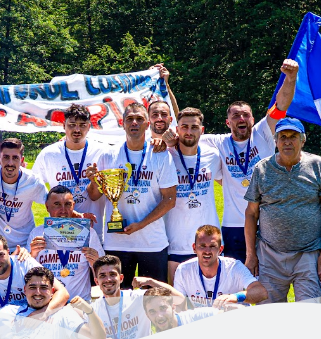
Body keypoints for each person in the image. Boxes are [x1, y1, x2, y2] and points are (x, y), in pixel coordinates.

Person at [187, 59, 299, 262]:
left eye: (246, 115)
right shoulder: (218, 142)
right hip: (233, 225)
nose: (241, 119)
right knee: (236, 274)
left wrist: (291, 78)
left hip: (266, 221)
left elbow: (281, 105)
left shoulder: (263, 133)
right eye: (236, 115)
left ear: (253, 119)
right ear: (227, 122)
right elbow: (185, 136)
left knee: (268, 274)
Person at [244, 117, 321, 303]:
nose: (287, 141)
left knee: (309, 312)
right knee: (269, 313)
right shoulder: (262, 168)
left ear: (303, 140)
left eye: (293, 136)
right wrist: (251, 255)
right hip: (270, 255)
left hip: (308, 254)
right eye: (283, 137)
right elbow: (251, 214)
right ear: (276, 141)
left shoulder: (317, 165)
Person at [88, 102, 178, 287]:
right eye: (129, 119)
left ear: (147, 124)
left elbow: (170, 199)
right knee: (117, 297)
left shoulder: (160, 154)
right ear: (122, 123)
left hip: (152, 242)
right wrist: (93, 180)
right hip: (116, 242)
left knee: (154, 297)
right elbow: (94, 195)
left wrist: (140, 225)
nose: (134, 122)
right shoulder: (109, 155)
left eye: (139, 119)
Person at [163, 107, 222, 282]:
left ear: (201, 130)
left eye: (194, 127)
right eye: (184, 127)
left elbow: (230, 184)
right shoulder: (165, 156)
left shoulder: (213, 156)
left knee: (211, 293)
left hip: (208, 242)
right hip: (175, 242)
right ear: (177, 129)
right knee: (175, 295)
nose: (189, 132)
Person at [31, 104, 113, 225]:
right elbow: (34, 187)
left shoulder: (102, 152)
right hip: (60, 229)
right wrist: (56, 204)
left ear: (89, 126)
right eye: (72, 125)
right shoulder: (48, 154)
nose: (77, 130)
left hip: (93, 227)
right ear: (64, 125)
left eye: (82, 125)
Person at [0, 138, 49, 251]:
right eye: (6, 157)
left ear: (22, 160)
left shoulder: (33, 182)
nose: (10, 163)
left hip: (23, 243)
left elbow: (52, 204)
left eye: (15, 158)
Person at [28, 185, 104, 300]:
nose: (63, 210)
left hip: (79, 302)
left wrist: (96, 263)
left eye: (68, 204)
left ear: (73, 206)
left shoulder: (88, 233)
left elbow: (102, 273)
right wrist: (32, 255)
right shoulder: (36, 233)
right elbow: (26, 272)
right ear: (47, 207)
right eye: (57, 204)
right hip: (48, 302)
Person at [0, 233, 69, 312]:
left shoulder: (25, 264)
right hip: (7, 321)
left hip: (36, 316)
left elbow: (63, 293)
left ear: (8, 252)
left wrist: (40, 315)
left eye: (0, 255)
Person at [173, 225, 267, 307]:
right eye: (202, 246)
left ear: (220, 249)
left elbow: (261, 292)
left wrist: (236, 297)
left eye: (212, 246)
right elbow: (178, 305)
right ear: (194, 248)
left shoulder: (234, 267)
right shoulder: (183, 270)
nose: (207, 251)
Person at [87, 255, 152, 339]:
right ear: (97, 281)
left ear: (121, 278)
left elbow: (174, 296)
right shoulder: (92, 310)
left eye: (112, 274)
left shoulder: (138, 298)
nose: (108, 279)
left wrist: (150, 281)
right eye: (102, 276)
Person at [143, 286, 219, 333]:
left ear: (173, 307)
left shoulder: (197, 317)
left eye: (163, 308)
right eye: (152, 312)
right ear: (147, 315)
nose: (159, 316)